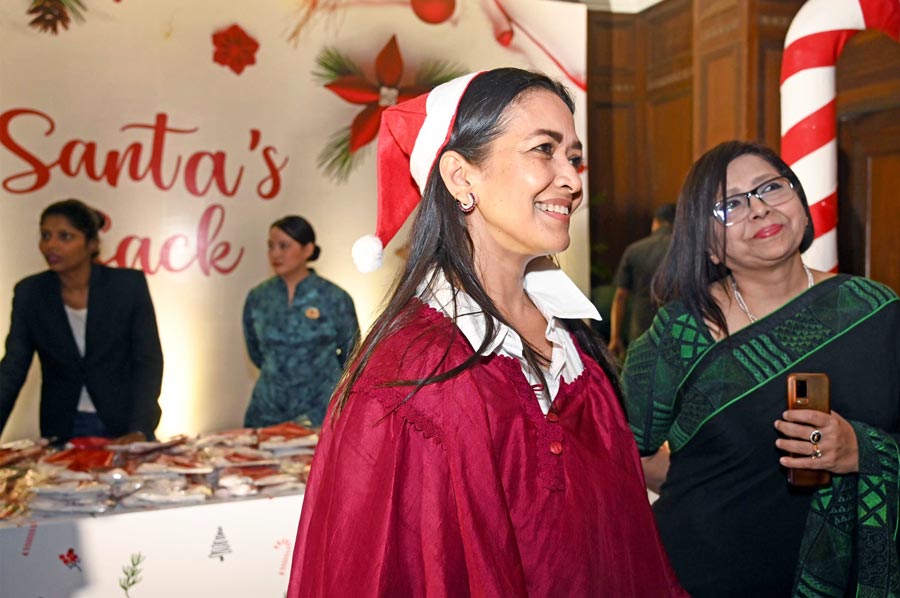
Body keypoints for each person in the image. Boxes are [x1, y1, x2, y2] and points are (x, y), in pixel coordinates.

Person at [288, 69, 686, 597]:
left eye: (573, 157)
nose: (572, 180)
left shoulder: (574, 343)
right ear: (460, 177)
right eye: (543, 149)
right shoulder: (408, 373)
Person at [623, 140, 900, 597]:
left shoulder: (874, 310)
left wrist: (860, 452)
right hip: (705, 576)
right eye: (729, 205)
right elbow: (620, 446)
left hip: (847, 578)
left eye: (770, 187)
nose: (758, 209)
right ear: (707, 245)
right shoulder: (683, 331)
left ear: (802, 207)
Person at [0, 199, 164, 441]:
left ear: (92, 244)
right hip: (64, 425)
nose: (51, 245)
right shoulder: (30, 293)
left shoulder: (128, 286)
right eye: (45, 235)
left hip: (125, 421)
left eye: (65, 236)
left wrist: (139, 428)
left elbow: (148, 362)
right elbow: (12, 369)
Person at [242, 216, 359, 428]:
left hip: (320, 412)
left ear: (307, 249)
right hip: (267, 412)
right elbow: (256, 353)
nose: (275, 253)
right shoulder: (258, 297)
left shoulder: (334, 298)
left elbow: (352, 355)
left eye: (284, 246)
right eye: (271, 246)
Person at [608, 202, 675, 358]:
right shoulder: (687, 250)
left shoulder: (634, 250)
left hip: (640, 329)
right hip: (676, 328)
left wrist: (615, 337)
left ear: (655, 223)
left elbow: (620, 297)